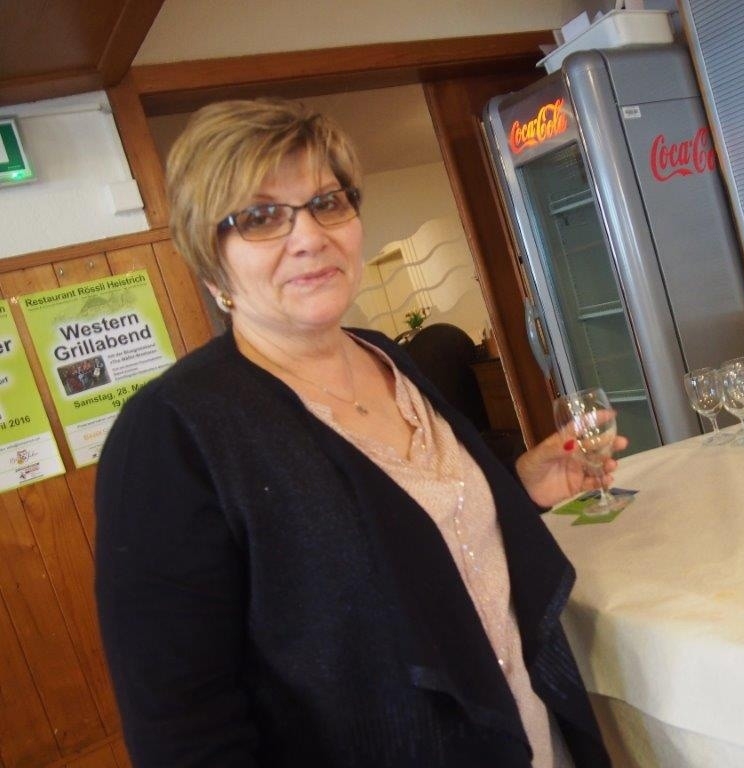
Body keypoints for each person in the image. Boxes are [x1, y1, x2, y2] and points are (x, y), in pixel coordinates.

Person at [94, 98, 625, 767]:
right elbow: (183, 731)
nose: (309, 236)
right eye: (260, 217)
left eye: (327, 203)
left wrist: (517, 484)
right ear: (212, 261)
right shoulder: (173, 432)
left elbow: (418, 540)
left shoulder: (387, 357)